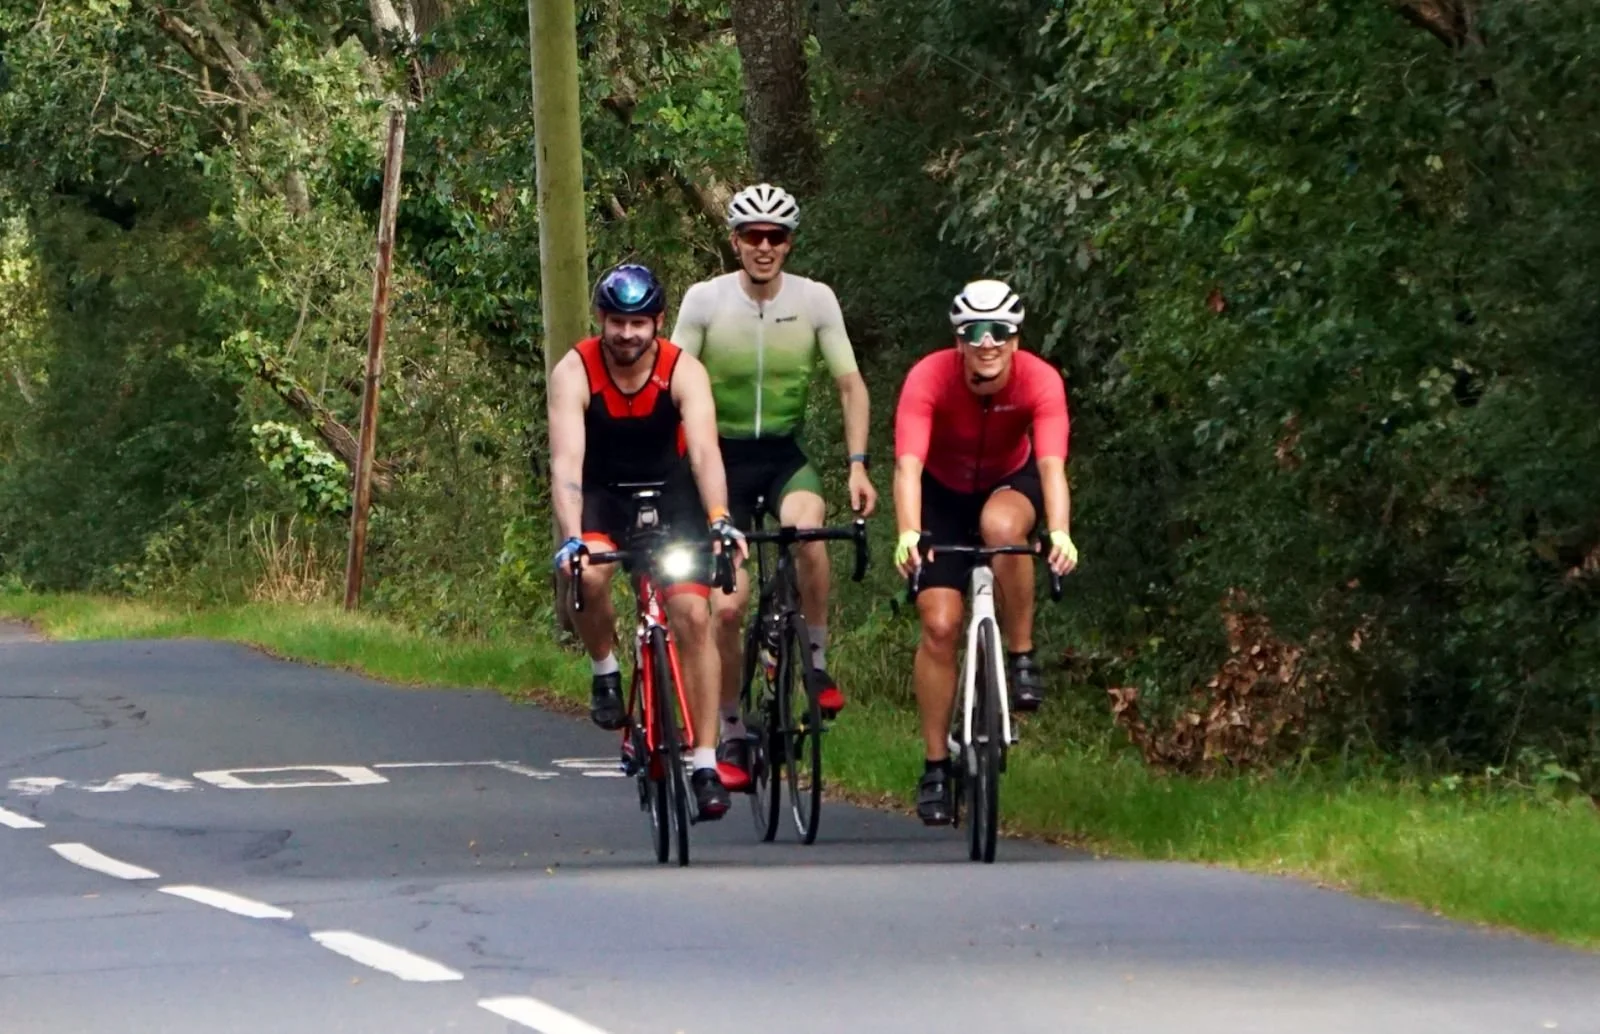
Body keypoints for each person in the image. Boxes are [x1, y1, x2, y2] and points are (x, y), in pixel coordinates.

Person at [670, 183, 876, 785]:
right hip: (722, 463)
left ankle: (814, 661)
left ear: (789, 244)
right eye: (753, 236)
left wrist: (857, 464)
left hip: (784, 455)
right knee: (728, 611)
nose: (764, 247)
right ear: (734, 241)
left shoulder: (815, 301)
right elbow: (673, 383)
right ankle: (732, 728)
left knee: (808, 529)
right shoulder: (705, 301)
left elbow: (850, 385)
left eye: (776, 237)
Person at [547, 262, 748, 820]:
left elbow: (706, 453)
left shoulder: (684, 370)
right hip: (603, 492)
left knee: (693, 615)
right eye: (616, 322)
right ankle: (606, 671)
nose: (627, 335)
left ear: (658, 322)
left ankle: (705, 760)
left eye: (639, 323)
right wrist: (570, 538)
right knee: (587, 574)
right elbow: (566, 464)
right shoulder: (575, 370)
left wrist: (720, 518)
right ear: (601, 321)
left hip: (673, 490)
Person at [891, 279, 1079, 825]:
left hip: (1008, 483)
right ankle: (933, 766)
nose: (988, 342)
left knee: (1002, 527)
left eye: (1001, 331)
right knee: (941, 626)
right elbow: (908, 466)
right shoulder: (929, 378)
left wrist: (1061, 531)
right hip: (941, 494)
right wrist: (907, 532)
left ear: (1017, 339)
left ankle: (1021, 656)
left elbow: (1051, 467)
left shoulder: (1041, 381)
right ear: (959, 340)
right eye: (976, 332)